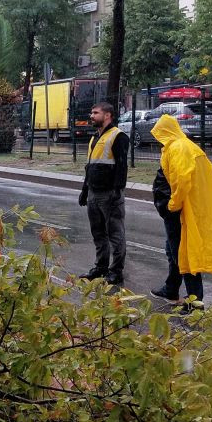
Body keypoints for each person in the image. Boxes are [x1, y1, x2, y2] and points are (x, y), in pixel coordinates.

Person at [149, 115, 212, 309]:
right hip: (188, 209)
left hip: (181, 211)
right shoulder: (186, 146)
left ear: (165, 132)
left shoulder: (178, 148)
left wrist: (173, 204)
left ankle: (195, 302)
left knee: (186, 255)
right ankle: (171, 289)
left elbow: (182, 180)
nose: (157, 138)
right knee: (173, 252)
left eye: (159, 133)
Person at [78, 101, 129, 285]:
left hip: (109, 194)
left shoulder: (118, 136)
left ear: (107, 115)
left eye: (95, 113)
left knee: (115, 234)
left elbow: (122, 167)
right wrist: (85, 190)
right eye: (91, 112)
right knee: (98, 233)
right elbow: (89, 167)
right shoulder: (95, 138)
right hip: (93, 193)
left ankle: (116, 271)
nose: (91, 116)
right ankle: (100, 268)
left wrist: (117, 190)